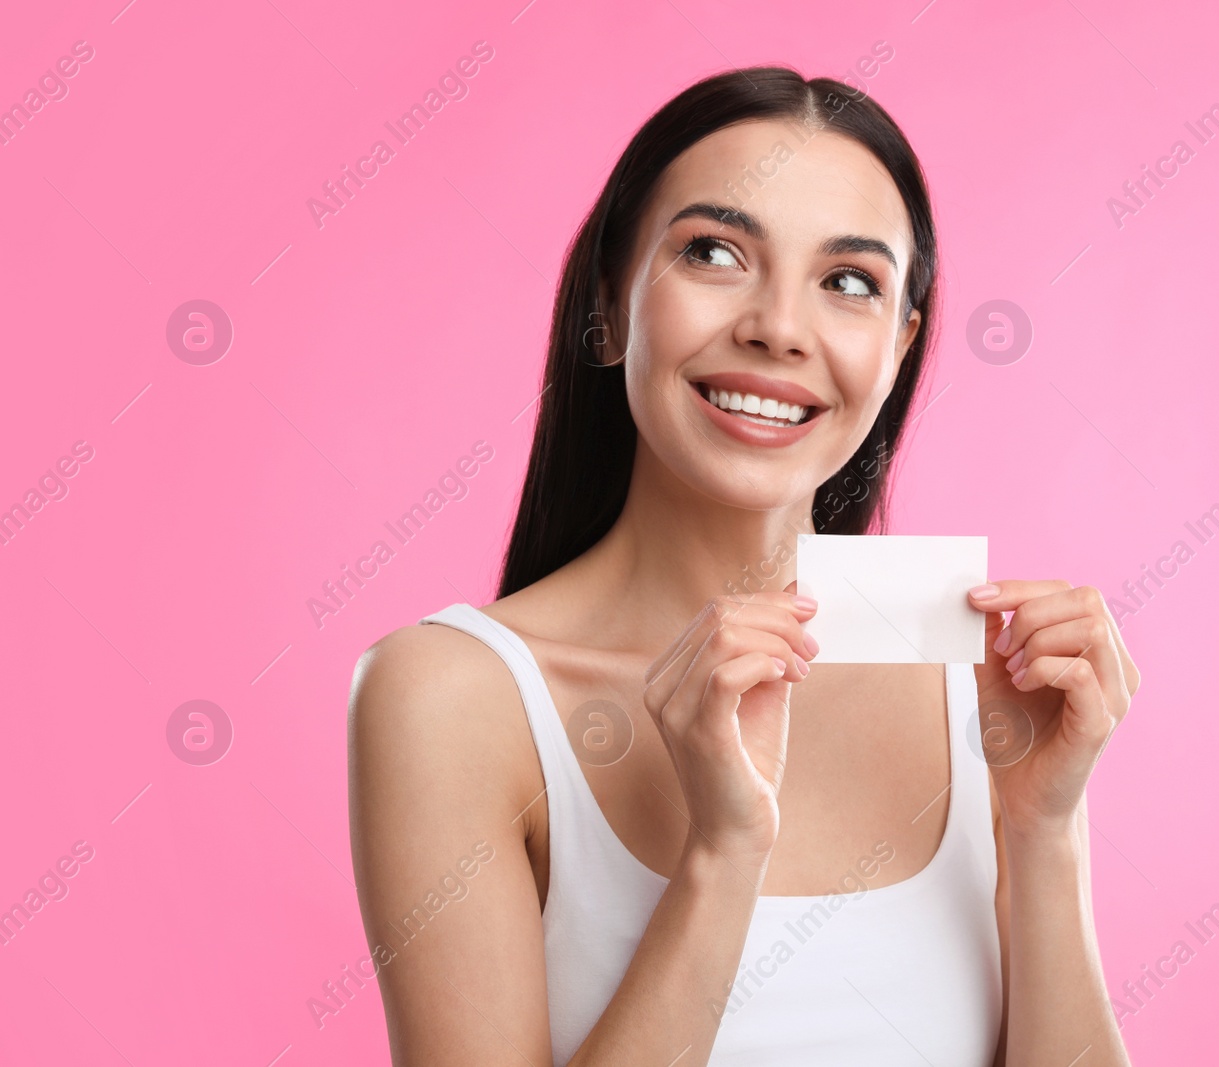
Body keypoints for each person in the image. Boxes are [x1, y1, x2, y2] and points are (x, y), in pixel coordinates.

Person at [347, 65, 1139, 1067]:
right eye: (713, 252)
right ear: (608, 297)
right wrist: (721, 856)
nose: (779, 326)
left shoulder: (974, 677)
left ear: (900, 344)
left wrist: (1045, 827)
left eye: (848, 280)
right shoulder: (450, 696)